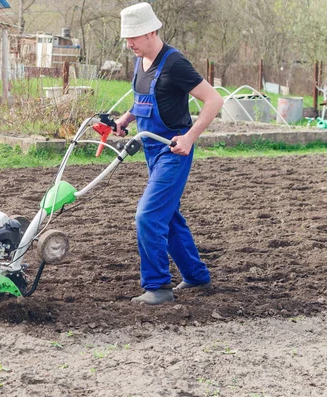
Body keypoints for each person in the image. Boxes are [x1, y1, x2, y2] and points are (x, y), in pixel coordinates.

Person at [115, 2, 224, 305]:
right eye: (127, 38)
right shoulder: (141, 62)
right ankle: (196, 276)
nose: (130, 43)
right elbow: (146, 99)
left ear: (151, 31)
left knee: (147, 216)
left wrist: (190, 137)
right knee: (169, 216)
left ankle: (158, 287)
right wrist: (127, 118)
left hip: (174, 152)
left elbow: (214, 100)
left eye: (134, 37)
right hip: (151, 150)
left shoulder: (175, 63)